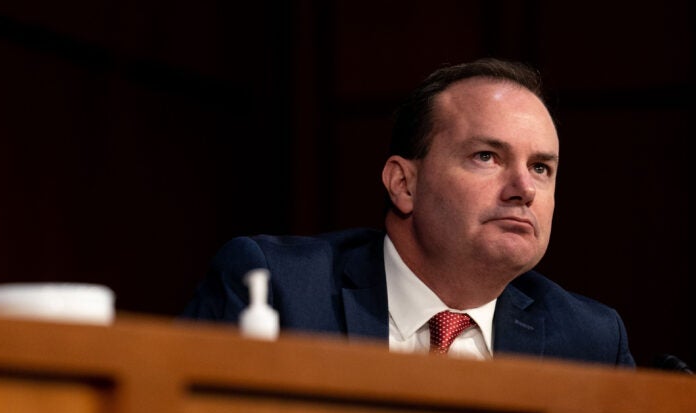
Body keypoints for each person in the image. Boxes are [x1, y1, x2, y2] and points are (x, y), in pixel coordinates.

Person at [183, 57, 634, 367]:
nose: (524, 189)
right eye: (486, 157)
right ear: (404, 184)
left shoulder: (588, 341)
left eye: (541, 167)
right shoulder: (281, 292)